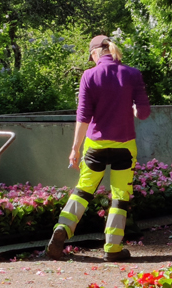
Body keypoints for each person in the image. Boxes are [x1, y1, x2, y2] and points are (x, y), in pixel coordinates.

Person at [46, 35, 151, 262]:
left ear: (95, 53)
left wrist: (75, 148)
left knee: (83, 190)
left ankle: (63, 228)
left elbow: (83, 116)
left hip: (95, 145)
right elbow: (143, 113)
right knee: (120, 196)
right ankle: (113, 249)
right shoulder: (132, 74)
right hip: (125, 146)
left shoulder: (89, 75)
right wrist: (132, 108)